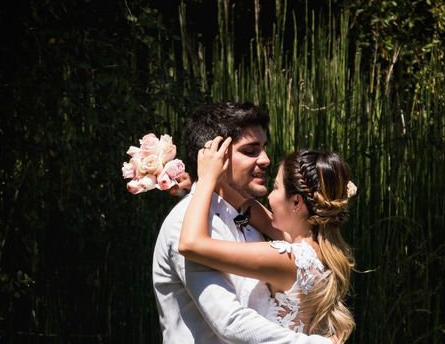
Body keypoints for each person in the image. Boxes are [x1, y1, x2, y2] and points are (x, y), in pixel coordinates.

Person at [152, 102, 333, 343]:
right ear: (216, 158)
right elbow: (229, 322)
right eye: (251, 151)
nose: (266, 160)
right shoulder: (186, 223)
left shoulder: (246, 216)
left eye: (263, 148)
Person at [179, 137, 357, 343]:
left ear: (296, 202)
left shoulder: (286, 257)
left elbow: (191, 244)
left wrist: (206, 181)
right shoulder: (320, 251)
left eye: (275, 188)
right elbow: (254, 211)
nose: (269, 198)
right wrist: (202, 179)